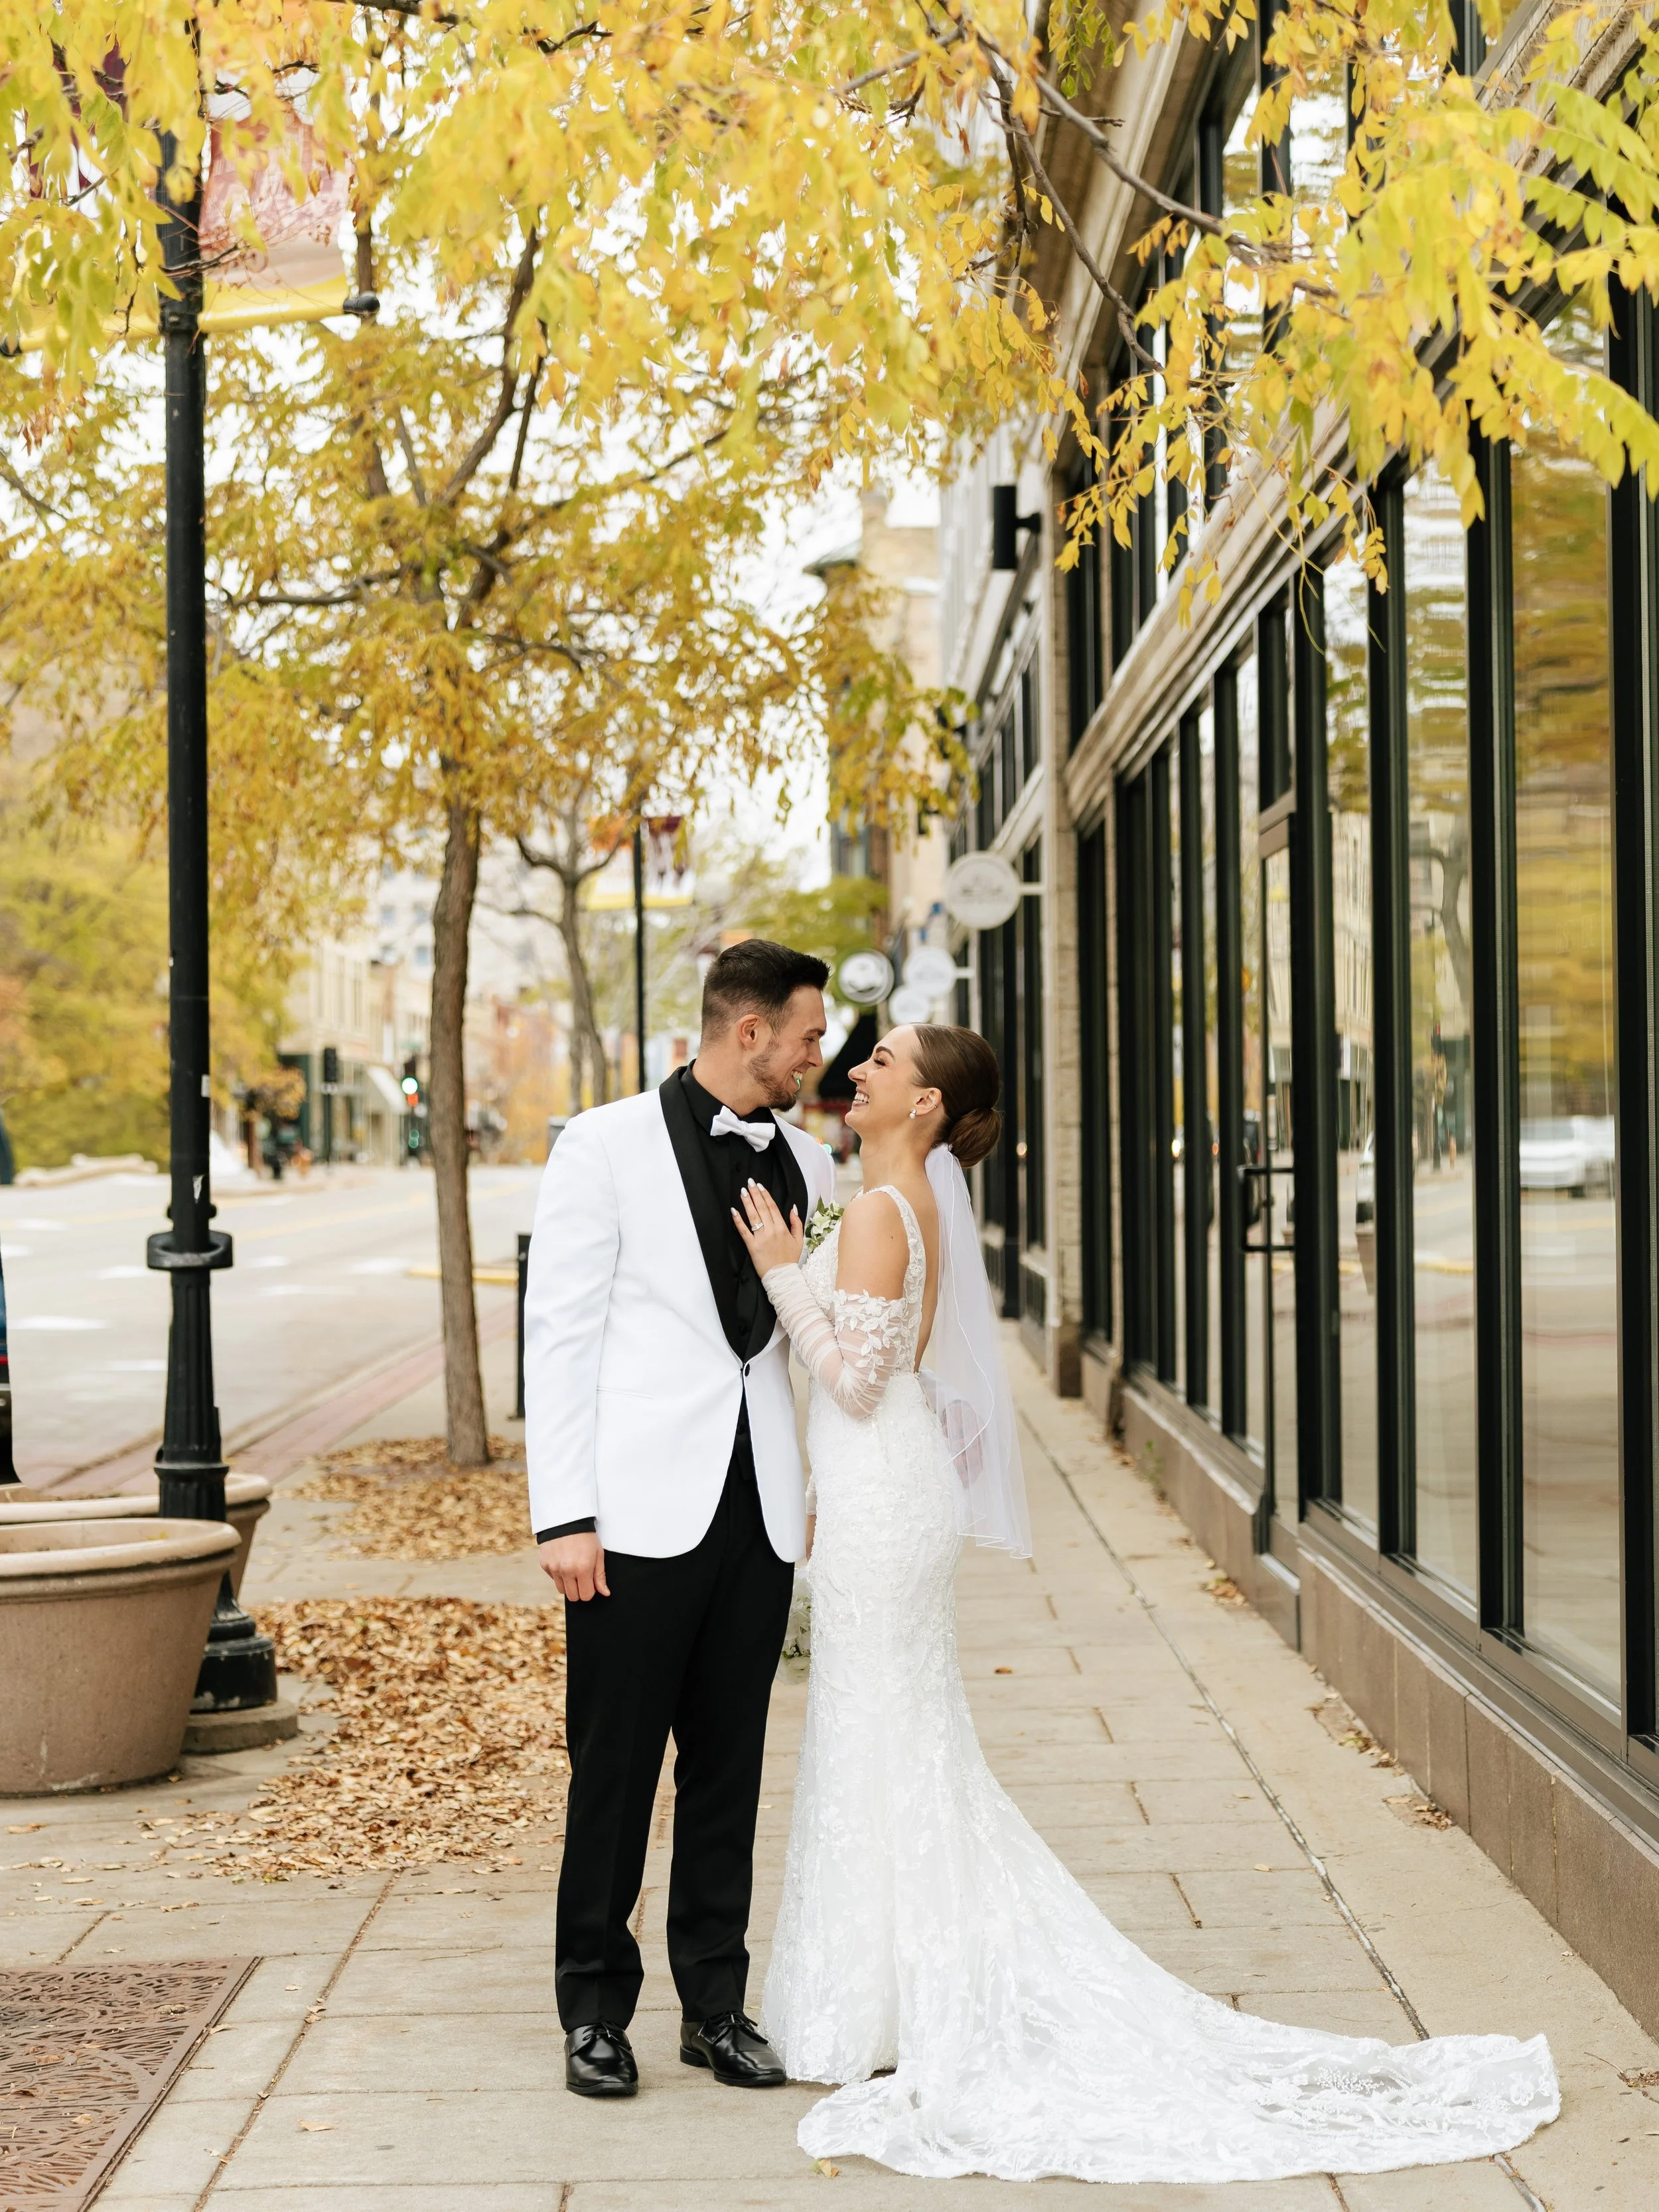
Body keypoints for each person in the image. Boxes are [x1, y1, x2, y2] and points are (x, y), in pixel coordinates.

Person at [730, 1022, 1559, 2185]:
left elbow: (859, 1381)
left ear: (922, 1105)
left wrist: (779, 1269)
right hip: (883, 1492)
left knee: (883, 1732)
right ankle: (887, 1996)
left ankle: (885, 2004)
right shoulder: (900, 1196)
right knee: (892, 1734)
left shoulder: (878, 1209)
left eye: (885, 1059)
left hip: (881, 1487)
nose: (860, 1065)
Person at [524, 939, 836, 2101]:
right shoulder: (601, 1145)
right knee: (612, 1769)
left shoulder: (804, 1154)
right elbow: (556, 1336)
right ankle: (595, 2010)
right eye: (807, 1032)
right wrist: (566, 1513)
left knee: (729, 1767)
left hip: (756, 1506)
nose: (819, 1053)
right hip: (632, 1514)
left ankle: (714, 2004)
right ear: (747, 1030)